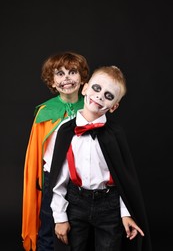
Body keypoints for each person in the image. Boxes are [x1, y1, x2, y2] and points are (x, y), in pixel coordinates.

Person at [49, 65, 152, 251]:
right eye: (96, 88)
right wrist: (60, 217)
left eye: (108, 95)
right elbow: (59, 179)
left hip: (109, 206)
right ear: (85, 88)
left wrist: (125, 213)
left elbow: (124, 180)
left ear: (114, 106)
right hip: (75, 203)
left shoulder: (115, 134)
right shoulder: (65, 131)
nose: (99, 96)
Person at [22, 51, 90, 251]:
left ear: (83, 77)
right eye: (59, 74)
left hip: (83, 180)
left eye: (72, 72)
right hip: (53, 177)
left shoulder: (91, 107)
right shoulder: (45, 112)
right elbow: (35, 152)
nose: (67, 77)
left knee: (81, 229)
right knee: (49, 227)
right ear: (52, 82)